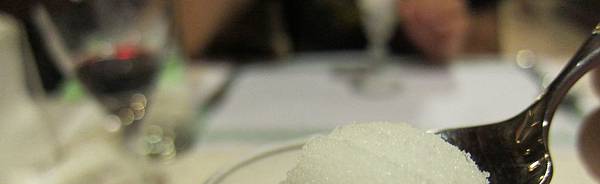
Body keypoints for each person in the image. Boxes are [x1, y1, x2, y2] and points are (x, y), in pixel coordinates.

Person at [175, 0, 502, 62]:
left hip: (415, 105)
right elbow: (179, 39)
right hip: (291, 110)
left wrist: (443, 31)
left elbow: (487, 44)